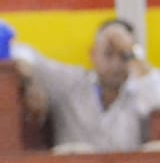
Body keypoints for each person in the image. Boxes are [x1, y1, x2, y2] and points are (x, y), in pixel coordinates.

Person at [14, 19, 160, 153]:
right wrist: (30, 81)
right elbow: (19, 51)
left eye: (124, 55)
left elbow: (157, 96)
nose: (116, 64)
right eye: (108, 54)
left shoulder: (139, 89)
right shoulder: (69, 82)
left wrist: (131, 49)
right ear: (93, 54)